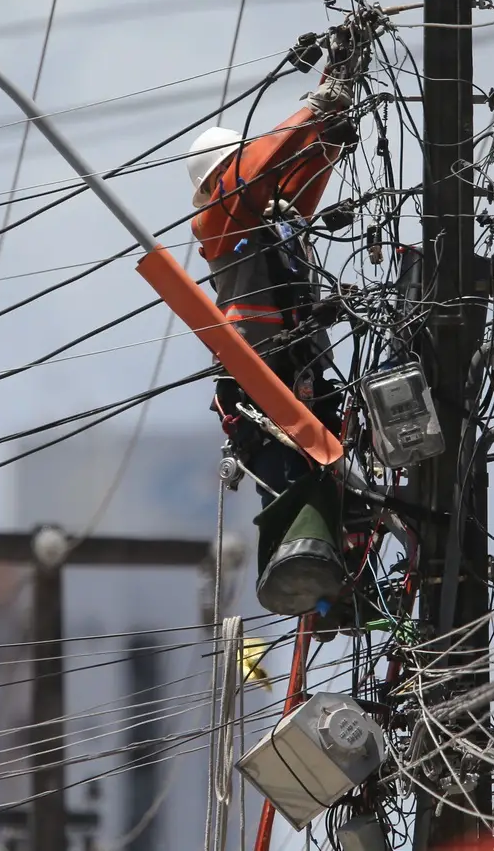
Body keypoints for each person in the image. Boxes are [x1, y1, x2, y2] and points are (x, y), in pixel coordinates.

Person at [187, 43, 359, 617]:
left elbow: (301, 172)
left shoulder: (273, 216)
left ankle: (346, 587)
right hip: (258, 374)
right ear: (218, 180)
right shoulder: (216, 217)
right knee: (292, 479)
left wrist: (333, 115)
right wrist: (315, 109)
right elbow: (258, 167)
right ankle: (310, 586)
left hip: (304, 367)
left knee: (347, 475)